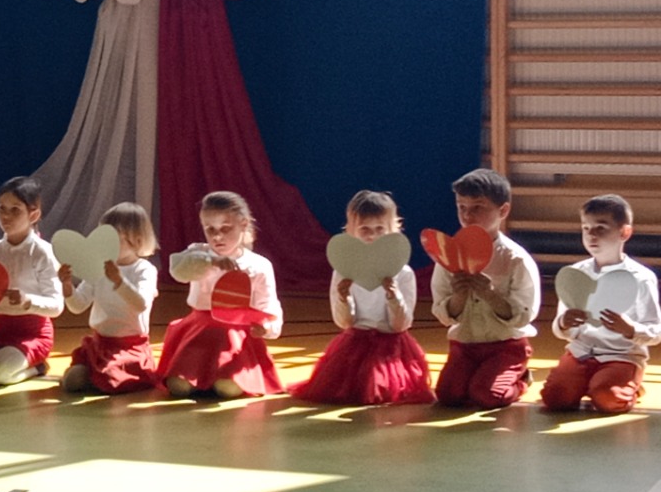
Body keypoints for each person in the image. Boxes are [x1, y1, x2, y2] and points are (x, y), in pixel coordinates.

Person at [293, 190, 434, 406]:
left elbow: (400, 325)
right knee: (343, 388)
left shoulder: (403, 273)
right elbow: (344, 323)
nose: (372, 236)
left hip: (392, 345)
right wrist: (344, 298)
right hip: (354, 344)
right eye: (365, 230)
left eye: (380, 229)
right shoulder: (343, 271)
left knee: (380, 387)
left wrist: (394, 296)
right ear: (351, 232)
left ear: (393, 230)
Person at [154, 191, 287, 398]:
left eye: (225, 229)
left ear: (243, 224)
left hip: (235, 334)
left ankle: (220, 378)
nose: (217, 237)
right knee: (179, 387)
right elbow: (178, 271)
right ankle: (199, 377)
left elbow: (268, 306)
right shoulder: (197, 254)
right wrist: (212, 261)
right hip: (198, 331)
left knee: (227, 389)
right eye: (210, 230)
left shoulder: (259, 265)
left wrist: (267, 327)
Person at [541, 194, 661, 415]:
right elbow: (561, 331)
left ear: (624, 233)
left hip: (621, 357)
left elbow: (656, 332)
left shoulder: (641, 278)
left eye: (601, 228)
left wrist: (630, 329)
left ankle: (628, 384)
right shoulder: (575, 274)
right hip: (580, 353)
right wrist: (564, 323)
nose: (592, 235)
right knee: (555, 399)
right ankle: (590, 383)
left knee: (609, 400)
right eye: (586, 228)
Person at [431, 167, 540, 410]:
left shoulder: (515, 259)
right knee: (448, 395)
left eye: (478, 208)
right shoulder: (449, 256)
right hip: (465, 347)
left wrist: (489, 295)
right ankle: (479, 374)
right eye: (462, 207)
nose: (468, 215)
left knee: (487, 395)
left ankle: (521, 379)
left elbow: (524, 314)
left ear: (503, 211)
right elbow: (443, 313)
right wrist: (459, 296)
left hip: (505, 346)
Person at [0, 176, 64, 387]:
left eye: (15, 210)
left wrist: (28, 301)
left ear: (33, 214)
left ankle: (37, 367)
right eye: (2, 209)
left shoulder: (42, 252)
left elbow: (56, 306)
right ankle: (12, 360)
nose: (6, 216)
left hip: (33, 332)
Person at [58, 202, 160, 394]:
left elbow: (141, 304)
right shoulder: (98, 267)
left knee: (111, 380)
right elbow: (78, 306)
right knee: (72, 382)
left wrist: (119, 281)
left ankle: (104, 378)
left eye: (115, 239)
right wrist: (67, 286)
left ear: (137, 240)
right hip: (100, 345)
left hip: (129, 346)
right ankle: (95, 377)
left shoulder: (144, 270)